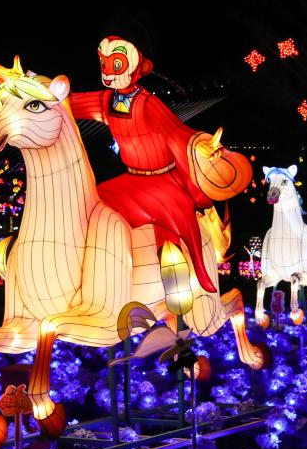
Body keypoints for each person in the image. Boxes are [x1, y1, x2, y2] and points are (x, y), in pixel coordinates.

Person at [69, 36, 251, 293]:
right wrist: (43, 92)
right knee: (93, 202)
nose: (108, 72)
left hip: (162, 180)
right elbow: (72, 103)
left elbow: (176, 132)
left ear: (134, 67)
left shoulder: (148, 104)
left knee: (172, 225)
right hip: (131, 178)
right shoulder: (106, 101)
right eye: (104, 64)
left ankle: (178, 282)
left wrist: (199, 145)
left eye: (116, 64)